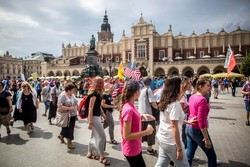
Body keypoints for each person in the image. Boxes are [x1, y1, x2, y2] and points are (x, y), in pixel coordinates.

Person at [155, 76, 196, 167]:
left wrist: (186, 122)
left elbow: (171, 121)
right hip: (171, 141)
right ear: (176, 86)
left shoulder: (166, 99)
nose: (183, 85)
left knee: (161, 163)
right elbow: (174, 126)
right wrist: (179, 149)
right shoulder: (175, 104)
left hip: (163, 138)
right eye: (181, 83)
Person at [120, 80, 154, 167]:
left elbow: (132, 118)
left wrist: (141, 116)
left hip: (134, 147)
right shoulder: (128, 109)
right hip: (131, 149)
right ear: (136, 92)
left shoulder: (130, 105)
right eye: (139, 89)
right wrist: (147, 131)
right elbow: (127, 136)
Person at [186, 78, 217, 167]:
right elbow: (201, 121)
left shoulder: (192, 96)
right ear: (200, 86)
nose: (210, 87)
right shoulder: (202, 100)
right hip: (197, 130)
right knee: (211, 156)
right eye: (207, 86)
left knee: (189, 154)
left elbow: (190, 112)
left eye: (210, 85)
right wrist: (206, 138)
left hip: (189, 128)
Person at [86, 77, 110, 165]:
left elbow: (97, 106)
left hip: (96, 117)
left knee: (93, 135)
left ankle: (90, 152)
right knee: (102, 136)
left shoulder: (96, 94)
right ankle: (102, 156)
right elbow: (90, 109)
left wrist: (102, 113)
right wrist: (90, 122)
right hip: (94, 118)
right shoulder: (94, 95)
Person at [138, 77, 158, 155]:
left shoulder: (141, 90)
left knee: (141, 132)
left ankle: (138, 148)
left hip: (141, 115)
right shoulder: (149, 90)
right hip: (149, 115)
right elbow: (153, 102)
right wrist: (158, 108)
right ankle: (149, 149)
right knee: (151, 133)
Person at [57, 83, 78, 149]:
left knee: (68, 128)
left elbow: (75, 102)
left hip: (73, 114)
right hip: (66, 115)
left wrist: (76, 111)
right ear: (68, 90)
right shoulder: (62, 95)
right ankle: (69, 143)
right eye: (72, 90)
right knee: (69, 128)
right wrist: (69, 108)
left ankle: (62, 136)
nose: (74, 91)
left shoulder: (72, 95)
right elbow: (59, 106)